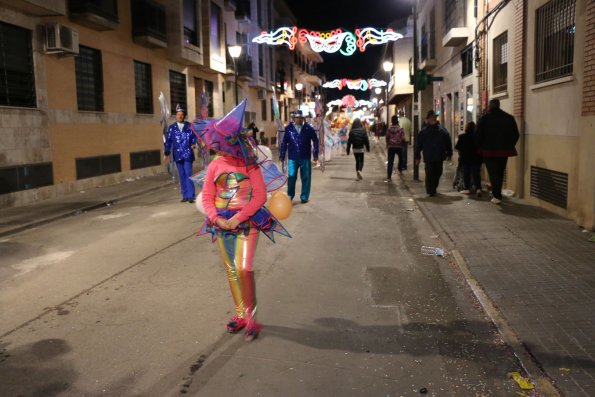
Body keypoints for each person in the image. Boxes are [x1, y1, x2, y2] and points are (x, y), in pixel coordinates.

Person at [194, 100, 290, 341]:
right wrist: (216, 217)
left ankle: (251, 318)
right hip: (221, 223)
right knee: (231, 270)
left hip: (246, 223)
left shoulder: (251, 165)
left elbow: (259, 197)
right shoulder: (215, 164)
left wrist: (237, 218)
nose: (221, 145)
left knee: (244, 268)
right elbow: (207, 196)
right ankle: (240, 315)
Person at [475, 98, 520, 204]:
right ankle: (497, 194)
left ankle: (497, 195)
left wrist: (479, 146)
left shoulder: (484, 118)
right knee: (500, 172)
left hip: (488, 151)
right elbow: (516, 134)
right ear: (499, 106)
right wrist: (509, 145)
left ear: (490, 106)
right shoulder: (509, 118)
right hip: (504, 151)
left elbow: (477, 134)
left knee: (493, 173)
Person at [279, 110, 319, 203]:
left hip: (305, 157)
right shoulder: (289, 128)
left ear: (303, 118)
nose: (299, 119)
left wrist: (315, 153)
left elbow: (315, 140)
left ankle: (304, 197)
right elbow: (284, 142)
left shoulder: (308, 128)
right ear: (294, 118)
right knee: (292, 176)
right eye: (297, 117)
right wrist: (282, 154)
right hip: (292, 157)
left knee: (306, 177)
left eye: (301, 118)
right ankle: (290, 195)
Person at [414, 110, 453, 196]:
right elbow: (418, 145)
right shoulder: (423, 132)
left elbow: (448, 142)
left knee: (438, 172)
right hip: (429, 156)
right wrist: (417, 157)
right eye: (431, 118)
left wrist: (449, 154)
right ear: (427, 119)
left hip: (439, 156)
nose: (433, 119)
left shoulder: (442, 131)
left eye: (434, 117)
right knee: (429, 174)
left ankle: (433, 188)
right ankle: (431, 191)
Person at [164, 104, 197, 203]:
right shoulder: (171, 128)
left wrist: (193, 143)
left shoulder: (190, 126)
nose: (180, 116)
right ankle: (185, 195)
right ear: (176, 116)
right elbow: (168, 141)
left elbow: (195, 137)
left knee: (188, 174)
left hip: (187, 153)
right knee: (181, 175)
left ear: (184, 116)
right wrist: (166, 152)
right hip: (177, 154)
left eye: (182, 114)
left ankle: (191, 195)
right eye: (178, 114)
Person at [455, 121, 483, 196]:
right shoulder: (477, 137)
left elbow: (457, 147)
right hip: (476, 159)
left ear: (466, 128)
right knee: (476, 174)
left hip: (465, 159)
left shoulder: (462, 137)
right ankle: (478, 189)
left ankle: (467, 189)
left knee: (466, 174)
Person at [385, 115, 405, 182]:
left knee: (390, 161)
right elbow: (403, 138)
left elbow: (387, 137)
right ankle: (400, 168)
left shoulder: (389, 129)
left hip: (391, 146)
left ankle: (389, 177)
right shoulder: (400, 129)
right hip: (399, 146)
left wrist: (387, 144)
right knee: (401, 158)